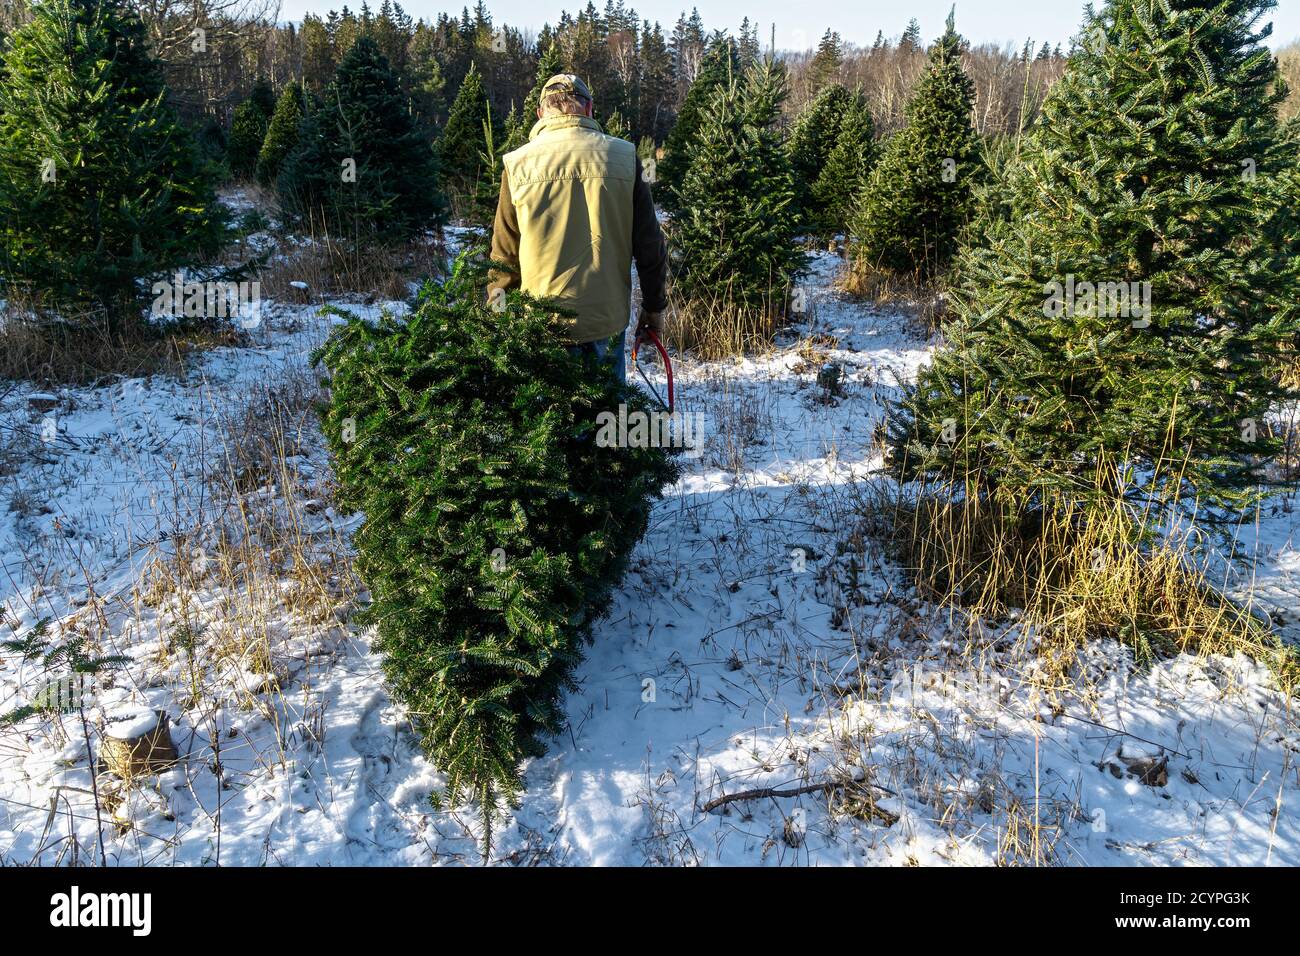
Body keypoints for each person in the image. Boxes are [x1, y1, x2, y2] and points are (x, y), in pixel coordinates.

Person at [487, 73, 669, 385]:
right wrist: (653, 310)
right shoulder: (625, 157)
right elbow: (650, 247)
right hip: (605, 323)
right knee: (607, 422)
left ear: (541, 113)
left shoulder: (517, 164)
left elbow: (504, 258)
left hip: (542, 324)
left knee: (550, 428)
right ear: (589, 110)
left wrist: (498, 319)